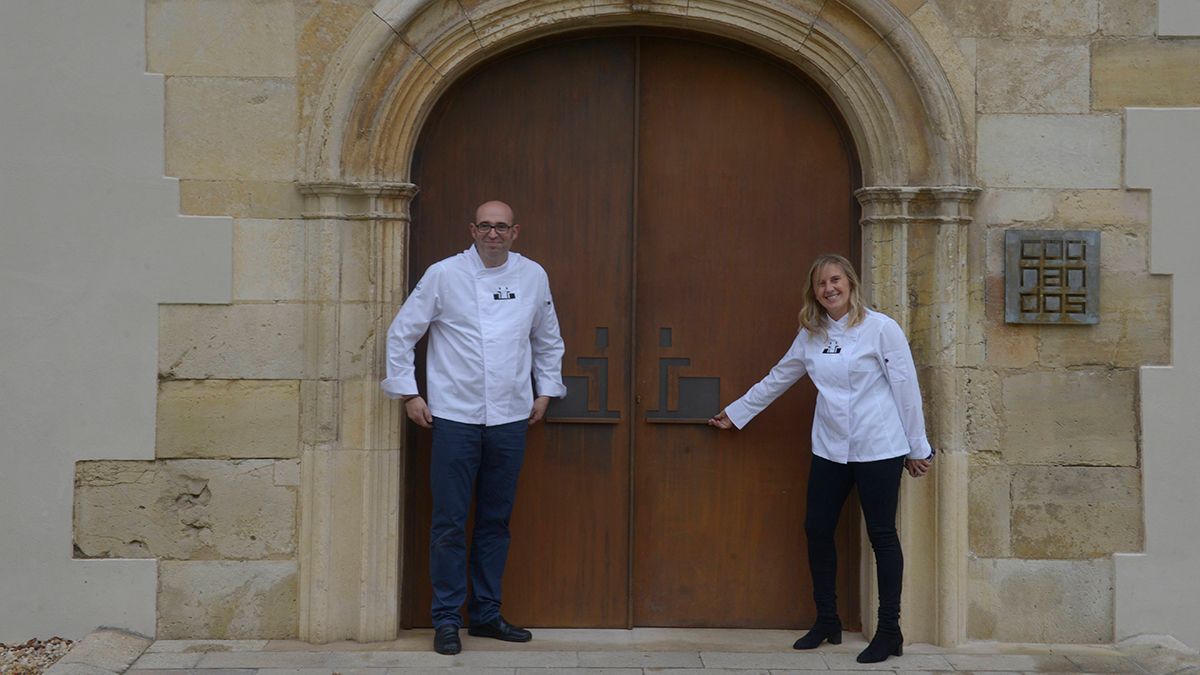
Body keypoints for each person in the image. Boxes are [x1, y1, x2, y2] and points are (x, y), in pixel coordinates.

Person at [709, 253, 933, 664]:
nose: (829, 289)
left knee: (882, 535)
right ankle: (827, 618)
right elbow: (780, 376)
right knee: (816, 528)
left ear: (850, 282)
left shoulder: (881, 329)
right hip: (830, 448)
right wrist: (737, 412)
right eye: (820, 284)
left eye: (835, 280)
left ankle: (889, 631)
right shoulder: (811, 333)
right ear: (813, 292)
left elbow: (905, 388)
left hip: (878, 447)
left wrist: (918, 448)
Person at [381, 200, 566, 656]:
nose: (493, 233)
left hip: (509, 417)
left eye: (501, 226)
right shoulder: (444, 274)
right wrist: (410, 393)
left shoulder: (532, 275)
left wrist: (546, 390)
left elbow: (547, 337)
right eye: (485, 226)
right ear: (472, 229)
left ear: (515, 231)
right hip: (453, 417)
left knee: (494, 521)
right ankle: (446, 619)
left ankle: (485, 614)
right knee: (448, 521)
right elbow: (402, 333)